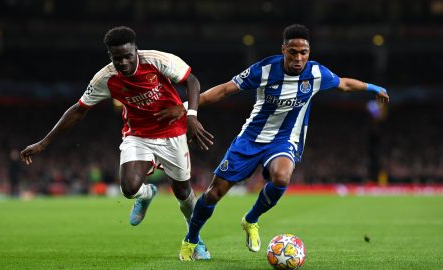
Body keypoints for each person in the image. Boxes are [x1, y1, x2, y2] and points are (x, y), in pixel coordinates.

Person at [157, 24, 390, 261]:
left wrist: (373, 87)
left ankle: (251, 219)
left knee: (282, 177)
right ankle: (191, 239)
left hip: (284, 140)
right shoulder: (264, 70)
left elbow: (344, 84)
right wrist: (187, 108)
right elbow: (226, 90)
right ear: (283, 50)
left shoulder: (316, 73)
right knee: (214, 194)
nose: (299, 58)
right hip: (250, 139)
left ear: (309, 52)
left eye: (304, 52)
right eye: (293, 52)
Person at [20, 26, 213, 259]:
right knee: (129, 188)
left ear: (136, 51)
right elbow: (79, 110)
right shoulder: (105, 78)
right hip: (138, 135)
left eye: (127, 56)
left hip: (172, 133)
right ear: (110, 56)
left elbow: (192, 81)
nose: (122, 62)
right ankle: (145, 195)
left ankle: (195, 238)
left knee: (182, 192)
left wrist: (190, 114)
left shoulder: (158, 61)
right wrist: (43, 143)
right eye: (116, 57)